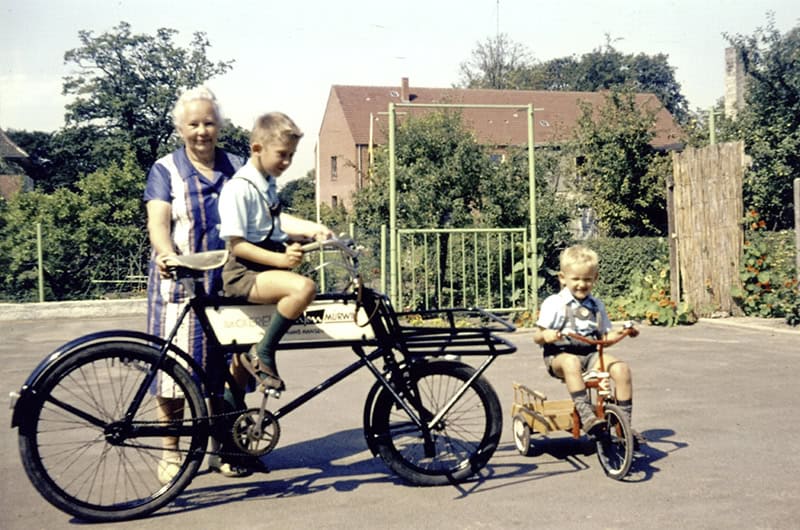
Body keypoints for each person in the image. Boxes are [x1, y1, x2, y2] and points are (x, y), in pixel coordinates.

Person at [144, 85, 254, 481]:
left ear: (219, 126)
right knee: (174, 374)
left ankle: (222, 446)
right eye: (194, 124)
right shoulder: (165, 170)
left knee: (233, 366)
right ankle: (170, 452)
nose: (202, 131)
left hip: (231, 284)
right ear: (180, 128)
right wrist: (166, 254)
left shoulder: (238, 166)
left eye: (209, 123)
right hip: (182, 286)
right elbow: (158, 224)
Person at [218, 112, 331, 394]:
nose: (287, 162)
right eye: (282, 154)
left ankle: (228, 429)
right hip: (243, 273)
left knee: (239, 364)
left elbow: (274, 225)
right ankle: (264, 352)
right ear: (257, 148)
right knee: (303, 288)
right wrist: (281, 259)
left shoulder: (266, 185)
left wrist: (311, 230)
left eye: (291, 156)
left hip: (263, 271)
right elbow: (237, 245)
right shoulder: (238, 188)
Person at [532, 245, 646, 446]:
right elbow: (537, 336)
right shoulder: (554, 303)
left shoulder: (596, 306)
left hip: (591, 354)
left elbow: (604, 336)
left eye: (587, 279)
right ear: (562, 278)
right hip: (560, 356)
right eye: (575, 279)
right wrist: (547, 335)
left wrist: (624, 332)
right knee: (571, 363)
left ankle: (623, 428)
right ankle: (587, 416)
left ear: (595, 278)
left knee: (622, 369)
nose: (581, 284)